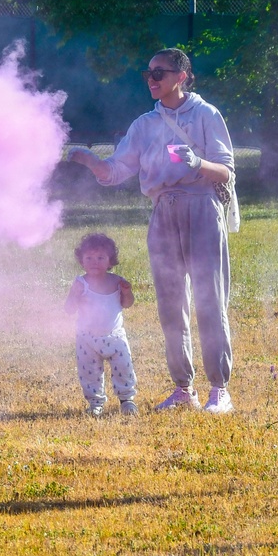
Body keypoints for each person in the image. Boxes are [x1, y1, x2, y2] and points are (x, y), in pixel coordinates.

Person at [68, 48, 236, 414]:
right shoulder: (144, 124)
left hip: (202, 207)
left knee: (210, 301)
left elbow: (226, 170)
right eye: (148, 73)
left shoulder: (206, 114)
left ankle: (219, 389)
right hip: (163, 212)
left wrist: (198, 162)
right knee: (170, 306)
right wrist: (94, 163)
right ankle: (183, 388)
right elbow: (116, 171)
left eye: (159, 73)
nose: (152, 79)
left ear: (182, 76)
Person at [64, 233, 138, 417]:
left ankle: (127, 400)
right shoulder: (80, 283)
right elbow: (69, 309)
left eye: (100, 258)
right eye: (89, 258)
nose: (94, 262)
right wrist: (74, 294)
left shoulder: (116, 281)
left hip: (114, 336)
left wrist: (127, 292)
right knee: (89, 372)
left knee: (123, 368)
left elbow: (127, 304)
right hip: (87, 338)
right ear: (81, 260)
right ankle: (95, 403)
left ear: (110, 261)